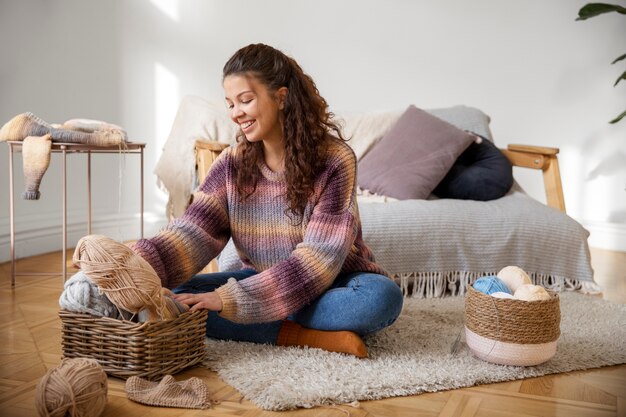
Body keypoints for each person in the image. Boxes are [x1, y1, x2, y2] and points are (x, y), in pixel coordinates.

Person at [131, 43, 403, 358]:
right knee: (179, 294)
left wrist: (233, 301)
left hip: (336, 282)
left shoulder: (335, 160)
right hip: (264, 280)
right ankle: (306, 335)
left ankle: (267, 322)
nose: (236, 114)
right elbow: (192, 232)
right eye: (230, 104)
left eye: (245, 100)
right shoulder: (231, 165)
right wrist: (133, 266)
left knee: (381, 299)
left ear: (281, 97)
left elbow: (320, 259)